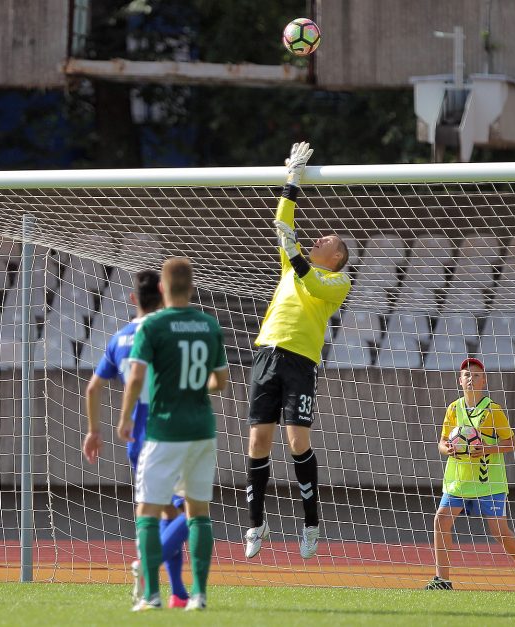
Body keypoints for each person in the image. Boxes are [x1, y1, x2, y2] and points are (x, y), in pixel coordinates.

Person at [243, 141, 352, 561]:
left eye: (327, 238)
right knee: (258, 442)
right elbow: (282, 221)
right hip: (267, 354)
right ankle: (256, 523)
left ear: (336, 256)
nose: (318, 236)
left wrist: (293, 252)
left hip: (300, 362)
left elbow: (313, 284)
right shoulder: (293, 262)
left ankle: (310, 523)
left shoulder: (338, 283)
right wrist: (294, 177)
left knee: (296, 441)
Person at [117, 257, 228, 611]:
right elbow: (220, 381)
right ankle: (199, 596)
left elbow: (135, 379)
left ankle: (151, 596)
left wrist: (124, 419)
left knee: (148, 510)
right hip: (201, 429)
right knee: (199, 512)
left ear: (163, 289)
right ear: (192, 287)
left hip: (165, 429)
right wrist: (193, 386)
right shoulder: (209, 325)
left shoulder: (153, 326)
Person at [82, 269, 191, 608]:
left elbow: (93, 387)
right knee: (192, 511)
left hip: (136, 439)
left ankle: (175, 593)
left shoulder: (119, 338)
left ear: (133, 300)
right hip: (169, 429)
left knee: (164, 514)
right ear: (163, 295)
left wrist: (94, 431)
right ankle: (146, 563)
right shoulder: (168, 333)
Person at [426, 357, 515, 591]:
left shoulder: (492, 410)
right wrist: (447, 449)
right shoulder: (453, 409)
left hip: (489, 481)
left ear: (483, 381)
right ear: (460, 380)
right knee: (440, 520)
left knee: (498, 530)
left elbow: (512, 442)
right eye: (467, 375)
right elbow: (442, 442)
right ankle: (442, 580)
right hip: (458, 479)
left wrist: (485, 449)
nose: (471, 378)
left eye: (476, 375)